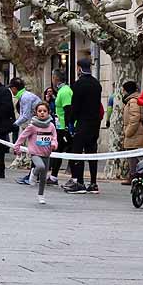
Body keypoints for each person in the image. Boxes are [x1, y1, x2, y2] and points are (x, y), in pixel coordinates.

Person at [64, 58, 103, 194]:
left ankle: (79, 182)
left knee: (77, 152)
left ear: (79, 68)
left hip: (82, 123)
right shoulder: (97, 84)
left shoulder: (78, 85)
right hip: (95, 123)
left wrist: (70, 121)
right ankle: (93, 183)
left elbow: (76, 107)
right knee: (92, 153)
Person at [12, 102, 58, 204]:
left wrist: (54, 144)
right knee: (40, 167)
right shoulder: (32, 126)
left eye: (44, 111)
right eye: (40, 111)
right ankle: (33, 173)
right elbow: (23, 136)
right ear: (36, 113)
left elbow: (54, 137)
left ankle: (41, 195)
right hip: (35, 153)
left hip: (46, 153)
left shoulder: (51, 126)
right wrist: (17, 146)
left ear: (48, 113)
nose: (42, 113)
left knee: (43, 177)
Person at [10, 77, 41, 185]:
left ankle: (34, 175)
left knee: (34, 151)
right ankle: (32, 174)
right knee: (32, 150)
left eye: (11, 89)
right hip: (33, 124)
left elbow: (25, 115)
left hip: (36, 126)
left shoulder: (25, 97)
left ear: (14, 88)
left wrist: (14, 124)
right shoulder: (24, 96)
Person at [120, 81, 143, 184]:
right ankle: (135, 176)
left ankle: (134, 176)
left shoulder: (133, 101)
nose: (122, 92)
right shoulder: (133, 100)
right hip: (137, 132)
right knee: (134, 156)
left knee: (134, 156)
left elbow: (135, 118)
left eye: (123, 90)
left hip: (135, 133)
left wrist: (128, 132)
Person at [49, 69, 73, 185]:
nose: (52, 80)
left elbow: (68, 110)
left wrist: (68, 128)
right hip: (60, 126)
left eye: (53, 78)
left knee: (69, 152)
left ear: (56, 78)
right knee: (57, 151)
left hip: (64, 128)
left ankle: (74, 178)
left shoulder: (64, 91)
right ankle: (53, 176)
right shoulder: (61, 91)